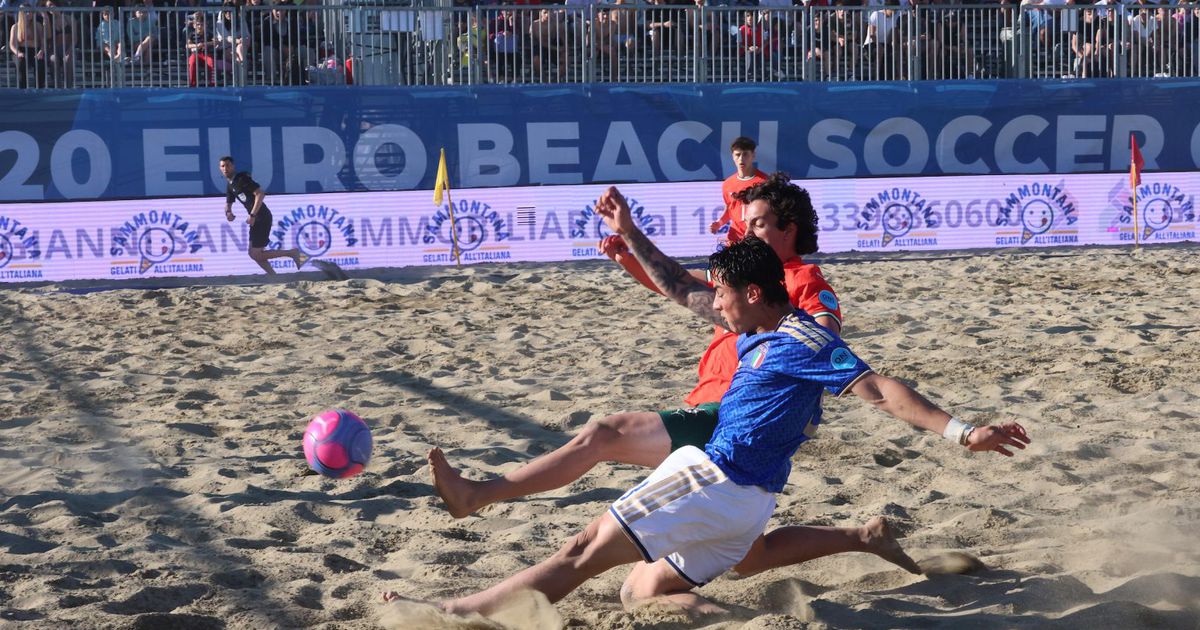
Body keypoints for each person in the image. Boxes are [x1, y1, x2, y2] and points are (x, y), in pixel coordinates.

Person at [390, 191, 1031, 617]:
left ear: (752, 291)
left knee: (581, 550)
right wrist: (631, 237)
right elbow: (684, 289)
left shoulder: (803, 330)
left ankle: (457, 613)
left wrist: (961, 431)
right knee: (638, 590)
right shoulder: (756, 327)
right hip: (750, 507)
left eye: (722, 292)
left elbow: (879, 388)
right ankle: (748, 608)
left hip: (715, 476)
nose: (714, 304)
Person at [428, 173, 903, 586]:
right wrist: (630, 240)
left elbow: (826, 339)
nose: (746, 230)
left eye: (757, 223)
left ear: (788, 228)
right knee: (748, 556)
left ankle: (479, 494)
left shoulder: (804, 280)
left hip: (732, 417)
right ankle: (863, 537)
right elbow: (682, 288)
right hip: (724, 418)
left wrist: (792, 343)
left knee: (605, 433)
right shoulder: (743, 277)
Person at [219, 156, 309, 275]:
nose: (225, 168)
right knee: (254, 254)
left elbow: (260, 194)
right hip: (256, 218)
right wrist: (228, 212)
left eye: (228, 165)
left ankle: (293, 253)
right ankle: (273, 276)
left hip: (261, 216)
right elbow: (228, 204)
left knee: (255, 254)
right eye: (223, 166)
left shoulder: (241, 179)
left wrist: (252, 214)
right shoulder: (230, 185)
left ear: (233, 166)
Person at [710, 136, 769, 242]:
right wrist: (719, 223)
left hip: (757, 240)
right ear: (733, 156)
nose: (741, 159)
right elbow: (730, 209)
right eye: (737, 155)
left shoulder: (765, 182)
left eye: (745, 154)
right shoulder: (727, 184)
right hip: (734, 239)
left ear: (753, 155)